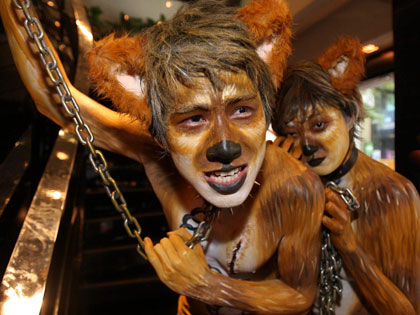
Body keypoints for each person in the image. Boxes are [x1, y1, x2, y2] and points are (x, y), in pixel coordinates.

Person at [1, 0, 325, 313]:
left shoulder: (296, 188)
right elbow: (54, 99)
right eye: (194, 119)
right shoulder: (159, 156)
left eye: (242, 110)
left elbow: (299, 295)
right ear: (162, 131)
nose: (225, 145)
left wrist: (207, 285)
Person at [272, 37, 420, 314]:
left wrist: (350, 248)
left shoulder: (391, 193)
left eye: (319, 125)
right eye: (292, 133)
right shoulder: (297, 185)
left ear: (349, 116)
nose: (306, 144)